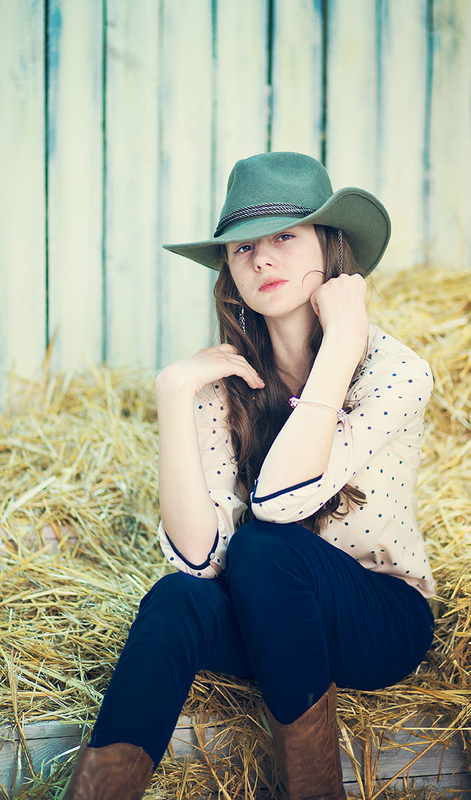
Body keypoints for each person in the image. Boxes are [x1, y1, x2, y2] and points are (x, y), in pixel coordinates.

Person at [61, 152, 435, 800]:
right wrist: (174, 393)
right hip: (271, 617)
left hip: (378, 619)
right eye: (242, 248)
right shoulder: (223, 382)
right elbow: (198, 559)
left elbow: (281, 503)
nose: (261, 259)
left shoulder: (394, 371)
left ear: (330, 247)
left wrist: (343, 341)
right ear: (230, 272)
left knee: (264, 545)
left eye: (284, 237)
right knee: (174, 600)